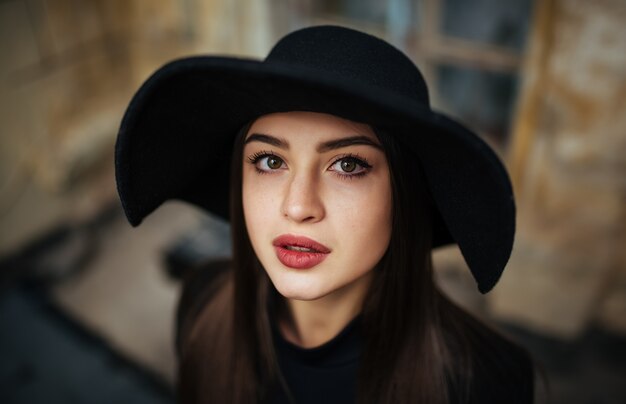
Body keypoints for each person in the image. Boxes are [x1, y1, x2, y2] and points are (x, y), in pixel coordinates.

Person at [115, 25, 534, 403]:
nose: (297, 207)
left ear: (406, 196)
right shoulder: (200, 307)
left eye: (348, 165)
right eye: (269, 161)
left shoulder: (484, 382)